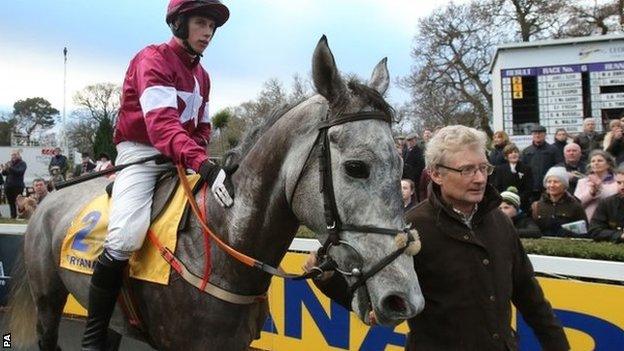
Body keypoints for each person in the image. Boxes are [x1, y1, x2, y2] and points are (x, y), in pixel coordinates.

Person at [309, 125, 569, 351]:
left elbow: (529, 295)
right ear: (435, 174)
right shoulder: (412, 227)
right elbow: (383, 310)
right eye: (466, 170)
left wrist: (558, 346)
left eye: (483, 167)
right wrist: (330, 282)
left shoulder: (500, 221)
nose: (479, 178)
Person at [81, 1, 233, 349]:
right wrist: (200, 161)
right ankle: (93, 338)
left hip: (179, 157)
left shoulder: (203, 76)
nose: (208, 32)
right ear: (178, 23)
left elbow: (203, 127)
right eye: (200, 23)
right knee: (124, 239)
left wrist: (198, 155)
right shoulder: (151, 59)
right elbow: (162, 126)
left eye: (212, 26)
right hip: (142, 154)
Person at [532, 167, 587, 237]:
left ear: (564, 185)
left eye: (556, 182)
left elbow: (585, 233)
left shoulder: (575, 206)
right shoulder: (537, 206)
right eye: (549, 182)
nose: (552, 185)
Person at [574, 150, 618, 221]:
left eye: (600, 160)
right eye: (593, 161)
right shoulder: (582, 182)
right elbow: (576, 204)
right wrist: (591, 193)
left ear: (608, 164)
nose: (596, 163)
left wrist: (599, 187)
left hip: (611, 221)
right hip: (589, 221)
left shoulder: (618, 181)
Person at [521, 125, 560, 204]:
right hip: (531, 188)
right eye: (535, 133)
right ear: (532, 135)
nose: (537, 135)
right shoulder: (526, 151)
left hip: (548, 187)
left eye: (540, 133)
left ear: (545, 135)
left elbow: (559, 166)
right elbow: (522, 169)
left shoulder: (553, 149)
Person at [492, 143, 533, 215]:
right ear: (506, 156)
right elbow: (497, 187)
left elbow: (529, 188)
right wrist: (506, 199)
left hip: (522, 204)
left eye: (515, 152)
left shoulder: (526, 169)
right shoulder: (500, 169)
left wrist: (517, 199)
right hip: (504, 203)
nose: (513, 154)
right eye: (510, 153)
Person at [588, 165, 624, 243]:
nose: (622, 187)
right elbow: (594, 230)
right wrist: (619, 235)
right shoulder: (607, 203)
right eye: (619, 183)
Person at [1, 150, 27, 219]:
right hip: (8, 186)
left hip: (17, 186)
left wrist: (10, 168)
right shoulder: (9, 163)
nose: (13, 156)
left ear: (19, 155)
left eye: (15, 154)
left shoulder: (22, 163)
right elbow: (4, 174)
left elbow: (19, 172)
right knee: (11, 202)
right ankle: (13, 216)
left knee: (19, 202)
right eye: (12, 155)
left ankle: (21, 216)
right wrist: (3, 169)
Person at [402, 133, 425, 200]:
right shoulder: (405, 150)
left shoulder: (418, 151)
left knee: (415, 195)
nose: (409, 142)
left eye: (411, 140)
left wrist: (413, 174)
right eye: (408, 141)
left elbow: (421, 166)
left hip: (414, 178)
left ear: (415, 140)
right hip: (406, 176)